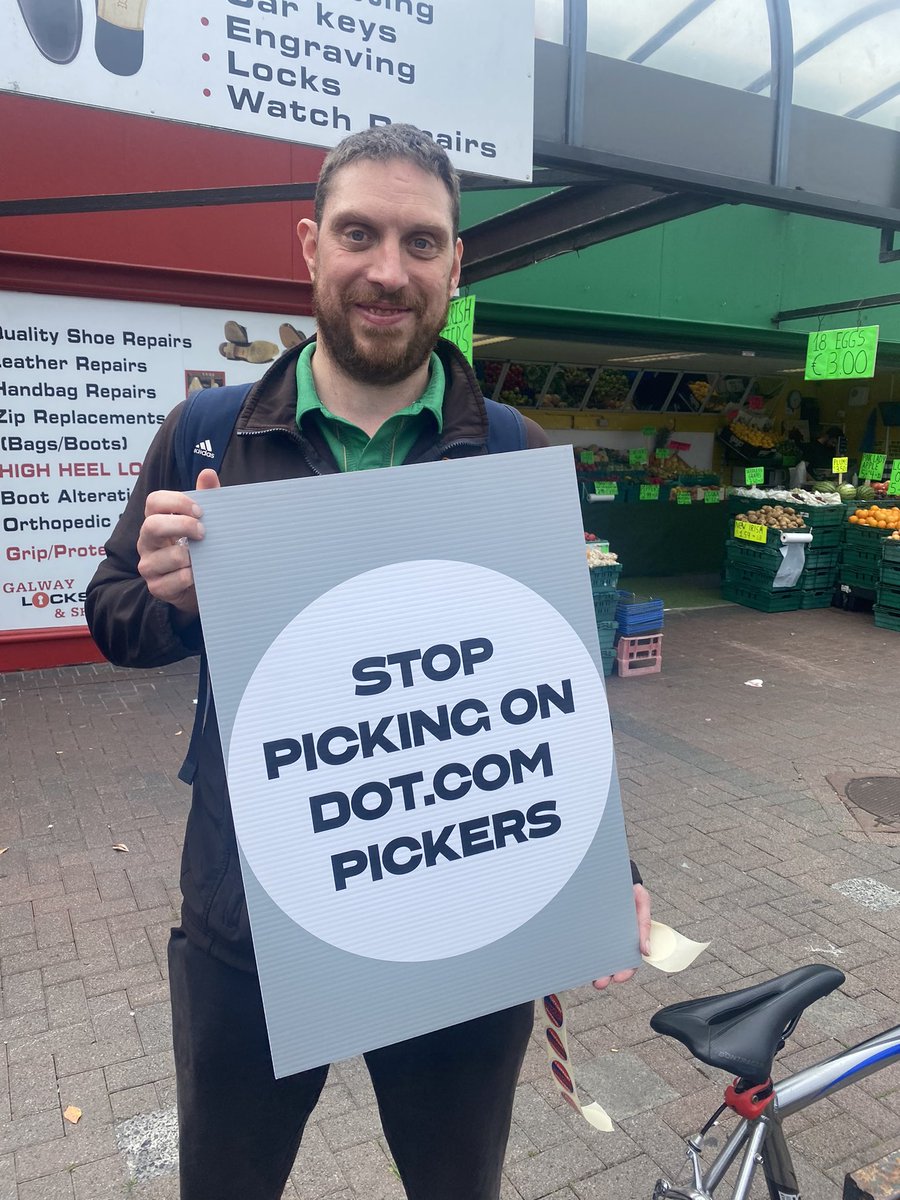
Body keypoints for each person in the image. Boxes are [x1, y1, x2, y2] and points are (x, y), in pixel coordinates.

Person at [85, 123, 651, 1200]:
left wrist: (598, 867)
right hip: (249, 916)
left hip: (461, 916)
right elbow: (112, 610)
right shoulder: (210, 433)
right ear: (309, 246)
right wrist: (170, 602)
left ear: (454, 265)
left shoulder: (511, 451)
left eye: (421, 242)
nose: (388, 272)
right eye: (359, 234)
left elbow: (546, 692)